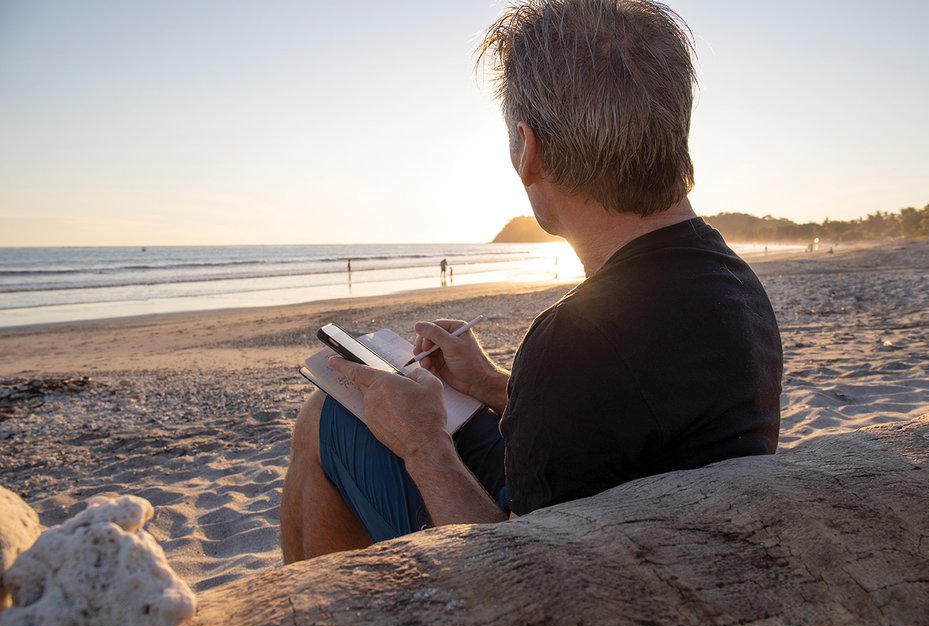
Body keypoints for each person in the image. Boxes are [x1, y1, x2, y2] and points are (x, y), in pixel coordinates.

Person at [280, 0, 782, 561]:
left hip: (601, 575)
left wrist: (425, 445)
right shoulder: (733, 281)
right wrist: (491, 384)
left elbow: (519, 565)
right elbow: (636, 419)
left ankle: (319, 615)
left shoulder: (578, 340)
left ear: (529, 150)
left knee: (326, 418)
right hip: (664, 527)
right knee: (334, 412)